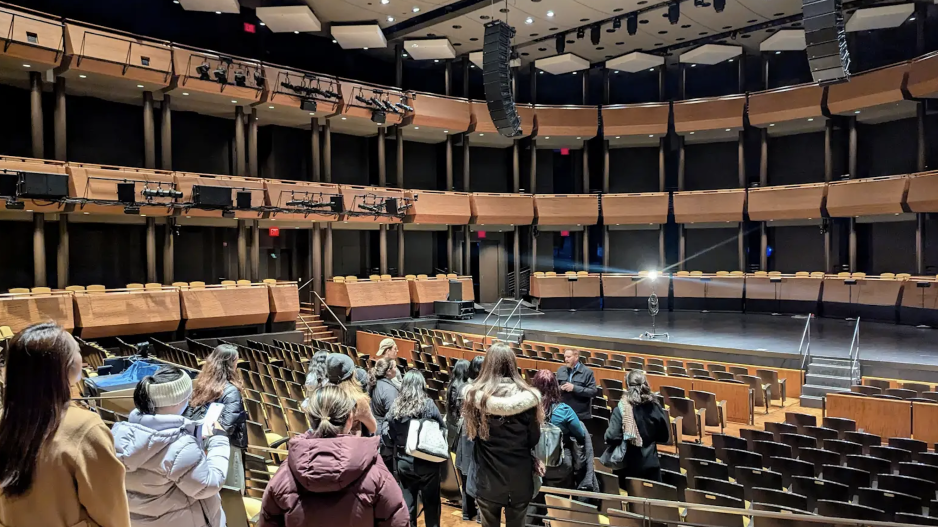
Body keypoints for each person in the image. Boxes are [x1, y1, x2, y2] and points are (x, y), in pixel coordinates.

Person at [0, 322, 131, 527]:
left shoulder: (4, 419)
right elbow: (112, 513)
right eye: (77, 350)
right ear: (66, 366)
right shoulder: (85, 428)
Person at [257, 385, 409, 527]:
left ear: (310, 419)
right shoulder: (376, 471)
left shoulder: (285, 474)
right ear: (350, 419)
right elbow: (398, 521)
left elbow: (267, 521)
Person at [111, 366, 230, 527]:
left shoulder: (118, 434)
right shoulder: (181, 446)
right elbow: (208, 485)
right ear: (177, 401)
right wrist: (219, 440)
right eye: (187, 395)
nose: (190, 399)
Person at [462, 343, 542, 527]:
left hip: (487, 480)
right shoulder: (528, 398)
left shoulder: (475, 397)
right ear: (512, 365)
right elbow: (533, 439)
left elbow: (472, 435)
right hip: (520, 479)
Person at [383, 371, 446, 527]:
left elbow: (387, 433)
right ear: (421, 386)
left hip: (404, 462)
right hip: (427, 462)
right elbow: (442, 428)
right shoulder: (428, 404)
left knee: (408, 506)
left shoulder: (395, 406)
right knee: (431, 505)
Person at [185, 344, 247, 492]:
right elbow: (227, 427)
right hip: (227, 446)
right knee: (232, 491)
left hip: (203, 444)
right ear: (231, 364)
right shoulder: (231, 391)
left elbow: (190, 415)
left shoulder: (202, 385)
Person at [604, 370, 670, 485]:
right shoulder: (655, 406)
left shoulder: (621, 409)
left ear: (627, 386)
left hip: (626, 467)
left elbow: (611, 437)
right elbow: (664, 437)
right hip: (650, 464)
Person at [326, 353, 377, 435]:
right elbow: (373, 428)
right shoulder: (359, 402)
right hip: (349, 441)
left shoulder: (321, 396)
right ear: (352, 374)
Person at [368, 357, 401, 468]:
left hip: (375, 428)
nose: (397, 369)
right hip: (384, 435)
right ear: (388, 371)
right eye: (395, 367)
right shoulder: (389, 390)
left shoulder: (376, 382)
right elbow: (393, 416)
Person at [555, 349, 598, 422]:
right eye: (565, 357)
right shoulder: (561, 370)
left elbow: (593, 392)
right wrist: (560, 388)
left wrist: (574, 388)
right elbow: (554, 389)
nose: (566, 359)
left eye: (568, 357)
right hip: (562, 412)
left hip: (580, 414)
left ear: (576, 357)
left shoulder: (587, 372)